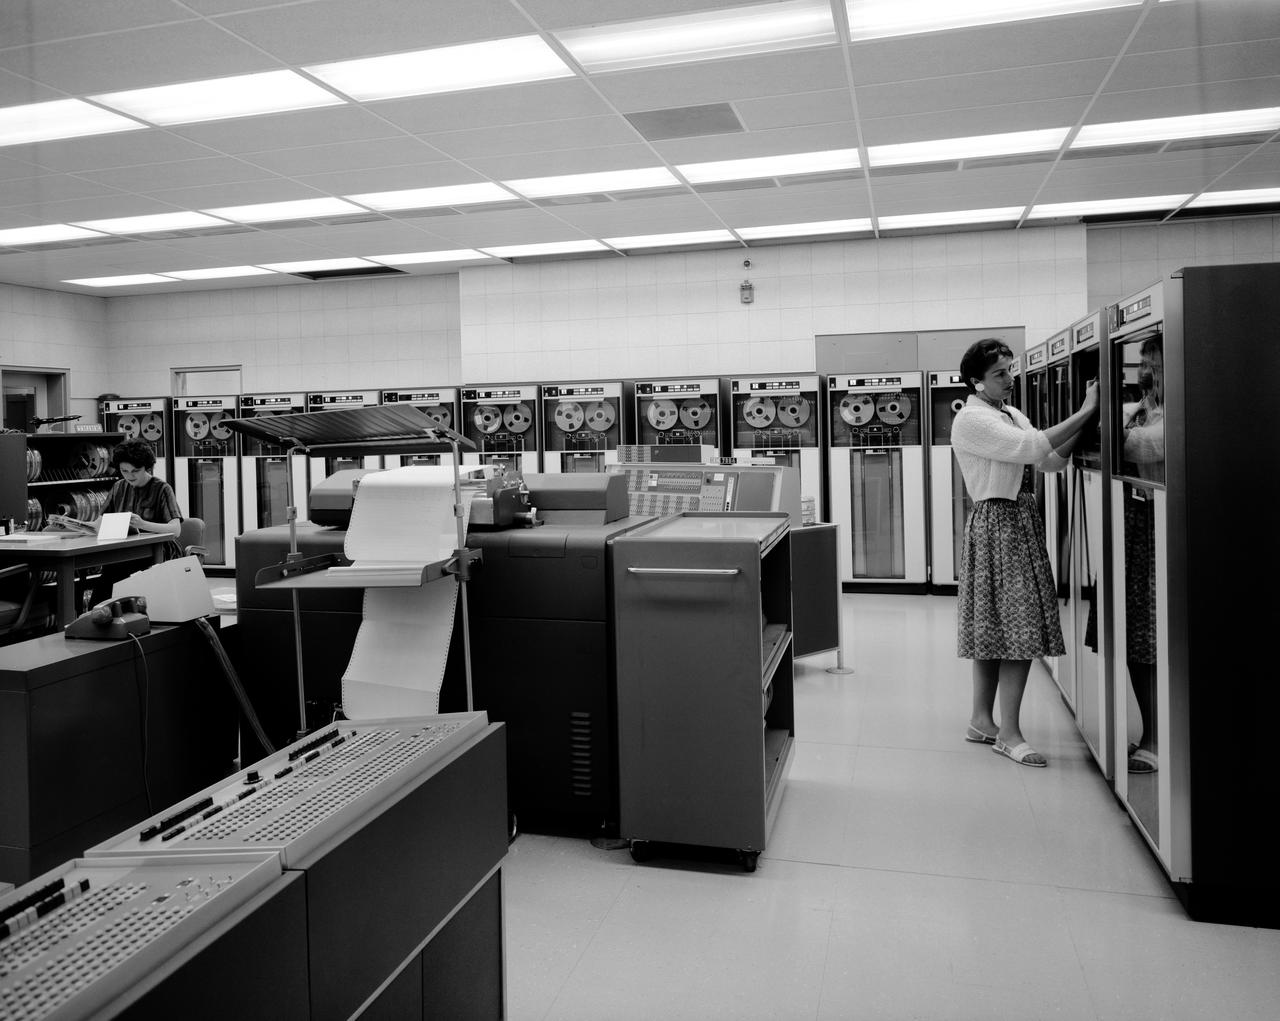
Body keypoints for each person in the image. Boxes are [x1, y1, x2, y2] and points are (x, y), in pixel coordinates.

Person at [951, 338, 1099, 768]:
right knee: (1019, 629)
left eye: (1010, 370)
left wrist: (1084, 428)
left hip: (1016, 522)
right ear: (976, 381)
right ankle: (1009, 734)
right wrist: (1087, 409)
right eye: (1000, 373)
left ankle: (981, 721)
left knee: (997, 627)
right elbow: (1033, 448)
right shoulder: (972, 419)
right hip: (999, 523)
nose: (1010, 378)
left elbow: (1048, 461)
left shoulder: (1011, 414)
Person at [1121, 338, 1164, 775]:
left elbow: (1133, 446)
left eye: (1154, 365)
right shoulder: (1144, 409)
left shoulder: (1177, 414)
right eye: (1142, 364)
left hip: (1167, 530)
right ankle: (1153, 731)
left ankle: (1158, 739)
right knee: (1137, 640)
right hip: (1142, 528)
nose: (1145, 374)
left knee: (1151, 640)